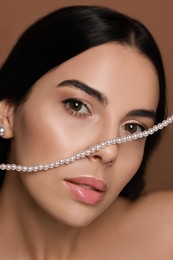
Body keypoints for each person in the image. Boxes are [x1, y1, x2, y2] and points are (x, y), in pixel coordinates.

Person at [0, 5, 173, 259]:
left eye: (133, 128)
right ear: (8, 114)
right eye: (77, 106)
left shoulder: (164, 234)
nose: (109, 150)